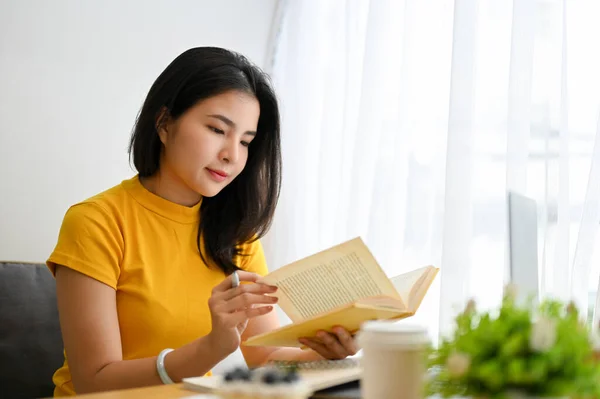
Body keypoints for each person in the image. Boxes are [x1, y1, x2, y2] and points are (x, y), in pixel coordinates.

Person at [46, 47, 358, 397]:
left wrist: (320, 352)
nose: (232, 155)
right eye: (216, 129)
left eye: (245, 141)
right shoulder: (96, 222)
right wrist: (210, 349)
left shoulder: (237, 233)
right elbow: (95, 379)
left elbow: (261, 355)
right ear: (164, 123)